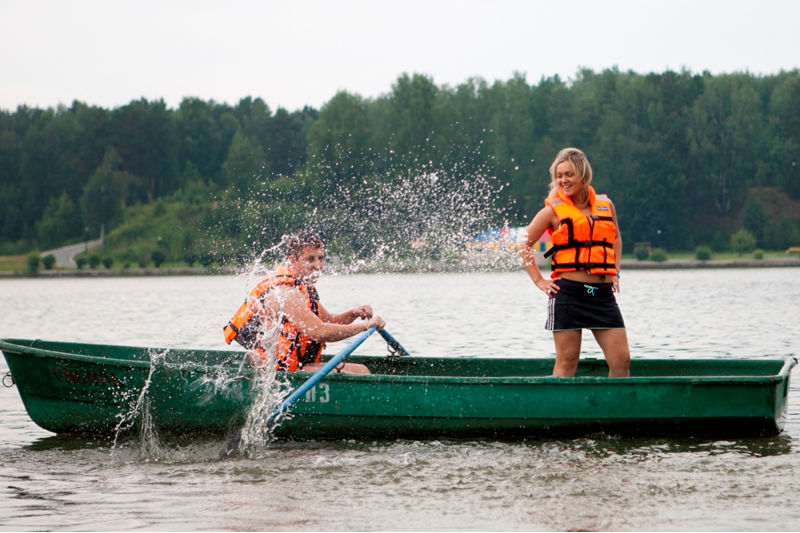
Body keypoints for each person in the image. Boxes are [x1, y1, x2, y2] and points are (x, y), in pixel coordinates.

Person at [519, 147, 630, 377]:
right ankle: (556, 411)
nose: (563, 180)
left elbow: (616, 238)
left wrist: (615, 272)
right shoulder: (552, 212)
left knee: (621, 360)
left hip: (602, 295)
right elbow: (523, 245)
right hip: (568, 294)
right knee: (568, 361)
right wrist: (539, 281)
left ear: (582, 175)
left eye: (568, 174)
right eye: (559, 176)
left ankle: (614, 411)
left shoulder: (605, 206)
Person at [223, 231, 384, 374]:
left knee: (362, 370)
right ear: (293, 260)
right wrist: (366, 326)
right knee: (359, 373)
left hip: (296, 365)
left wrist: (354, 313)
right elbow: (319, 332)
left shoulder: (303, 288)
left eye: (321, 258)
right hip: (279, 373)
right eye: (310, 259)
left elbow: (329, 321)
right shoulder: (287, 293)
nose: (318, 265)